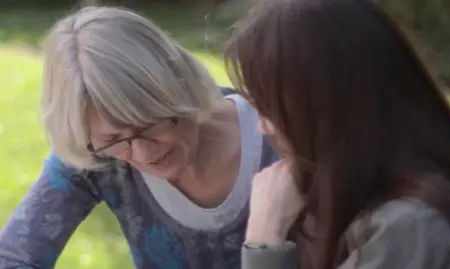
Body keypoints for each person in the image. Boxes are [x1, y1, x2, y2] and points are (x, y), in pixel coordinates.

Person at [0, 6, 277, 269]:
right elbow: (13, 258)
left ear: (179, 88)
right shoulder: (96, 152)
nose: (144, 153)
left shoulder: (281, 135)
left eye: (150, 123)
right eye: (114, 138)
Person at [224, 0, 450, 268]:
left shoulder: (408, 227)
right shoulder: (358, 195)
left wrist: (265, 237)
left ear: (325, 109)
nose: (262, 127)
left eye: (270, 109)